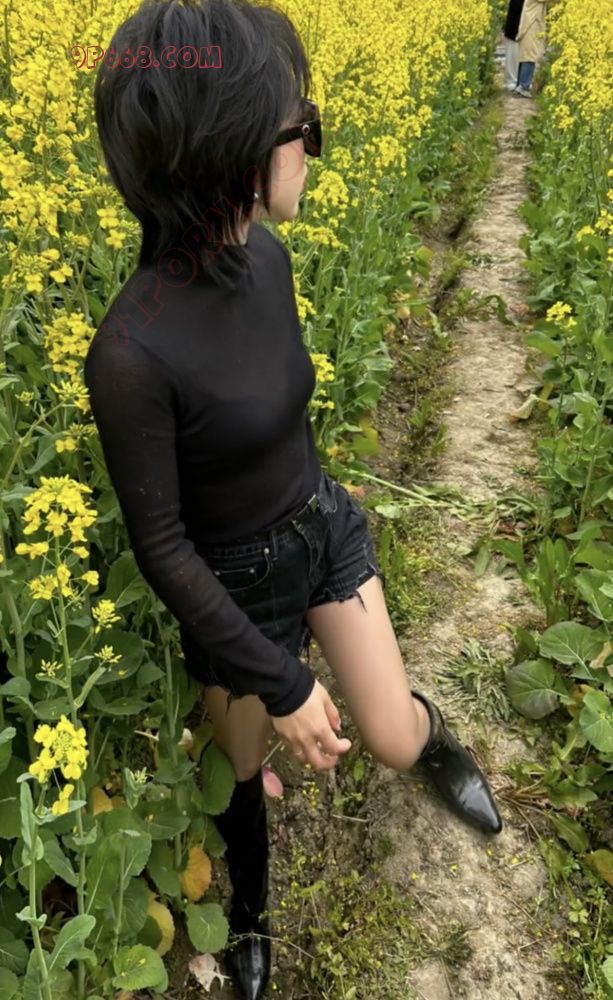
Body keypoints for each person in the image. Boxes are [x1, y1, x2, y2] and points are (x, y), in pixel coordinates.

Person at [86, 1, 503, 997]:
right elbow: (163, 550)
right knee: (238, 780)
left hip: (316, 529)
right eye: (302, 126)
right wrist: (278, 679)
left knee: (391, 737)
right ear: (230, 151)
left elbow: (277, 414)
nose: (314, 145)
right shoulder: (130, 354)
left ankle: (431, 738)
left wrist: (317, 507)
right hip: (230, 590)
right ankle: (251, 913)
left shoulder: (267, 259)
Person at [514, 0, 555, 97]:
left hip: (530, 25)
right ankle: (524, 86)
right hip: (531, 25)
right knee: (530, 56)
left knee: (526, 55)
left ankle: (520, 84)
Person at [502, 0, 526, 91]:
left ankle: (520, 81)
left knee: (523, 55)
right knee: (512, 53)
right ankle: (511, 81)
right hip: (514, 25)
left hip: (524, 25)